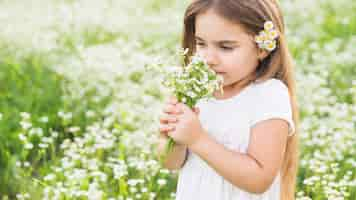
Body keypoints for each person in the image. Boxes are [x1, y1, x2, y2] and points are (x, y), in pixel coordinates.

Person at [157, 0, 299, 199]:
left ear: (263, 48)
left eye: (226, 47)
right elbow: (170, 164)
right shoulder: (193, 90)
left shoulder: (268, 95)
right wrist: (173, 138)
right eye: (201, 44)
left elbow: (259, 180)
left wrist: (197, 139)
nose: (209, 58)